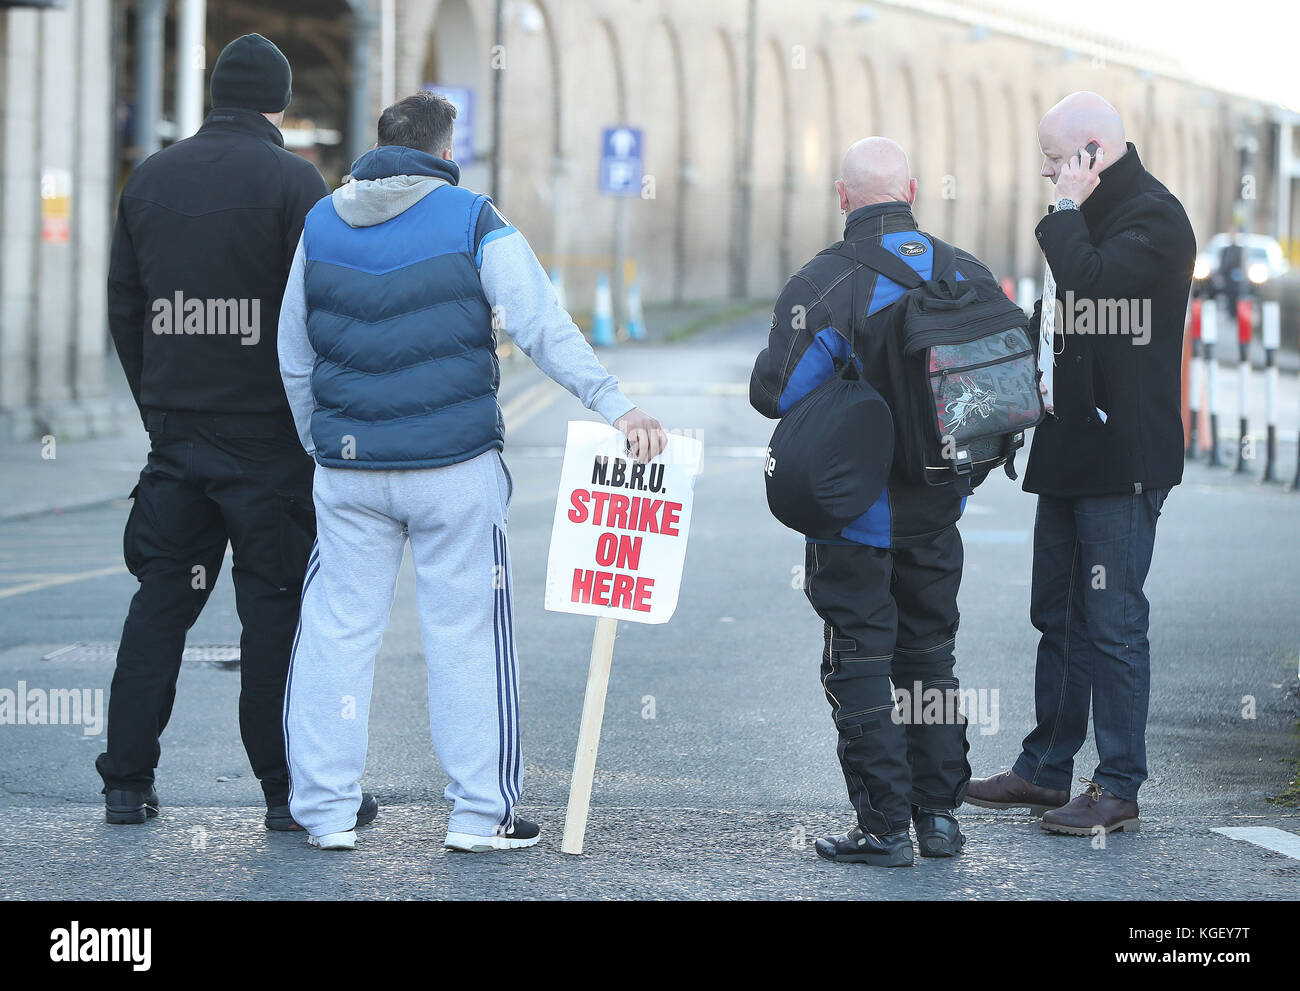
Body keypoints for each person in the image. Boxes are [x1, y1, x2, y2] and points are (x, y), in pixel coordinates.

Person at [277, 92, 666, 852]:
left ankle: (323, 810)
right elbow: (538, 322)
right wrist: (615, 405)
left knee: (335, 631)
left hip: (348, 470)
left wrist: (321, 442)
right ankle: (478, 814)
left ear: (378, 145)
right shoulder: (471, 216)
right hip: (451, 470)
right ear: (444, 149)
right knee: (466, 634)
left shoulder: (320, 222)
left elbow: (293, 353)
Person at [100, 34, 376, 831]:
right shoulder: (297, 183)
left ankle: (125, 780)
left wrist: (159, 406)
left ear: (216, 94)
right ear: (279, 103)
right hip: (268, 441)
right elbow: (325, 310)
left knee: (159, 603)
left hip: (178, 436)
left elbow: (127, 307)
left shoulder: (149, 178)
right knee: (276, 610)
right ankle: (286, 790)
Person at [750, 137, 1006, 866]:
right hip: (940, 508)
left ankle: (885, 827)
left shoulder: (824, 283)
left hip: (854, 512)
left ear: (842, 198)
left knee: (859, 658)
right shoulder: (968, 272)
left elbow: (775, 391)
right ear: (914, 190)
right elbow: (1001, 387)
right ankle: (941, 819)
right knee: (930, 656)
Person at [964, 92, 1195, 836]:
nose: (1046, 171)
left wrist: (1065, 212)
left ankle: (1119, 783)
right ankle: (1045, 769)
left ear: (1093, 153)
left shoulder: (1154, 218)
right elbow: (1073, 313)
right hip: (1070, 446)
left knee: (1113, 620)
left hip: (1123, 453)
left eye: (1056, 158)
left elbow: (1092, 281)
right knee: (1055, 612)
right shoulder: (1094, 216)